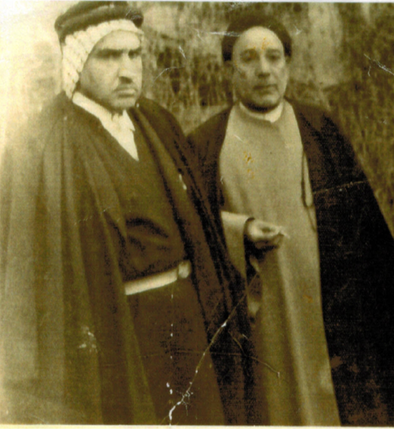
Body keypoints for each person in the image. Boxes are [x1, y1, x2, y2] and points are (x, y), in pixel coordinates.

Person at [0, 1, 247, 425]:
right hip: (118, 332)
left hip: (187, 319)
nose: (128, 70)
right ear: (77, 63)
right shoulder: (41, 147)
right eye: (110, 56)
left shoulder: (156, 121)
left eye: (134, 55)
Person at [187, 12, 394, 427]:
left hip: (335, 325)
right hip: (261, 331)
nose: (264, 70)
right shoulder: (204, 145)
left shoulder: (322, 130)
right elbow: (191, 230)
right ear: (229, 69)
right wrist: (240, 230)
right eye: (250, 59)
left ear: (288, 65)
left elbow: (367, 239)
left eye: (275, 57)